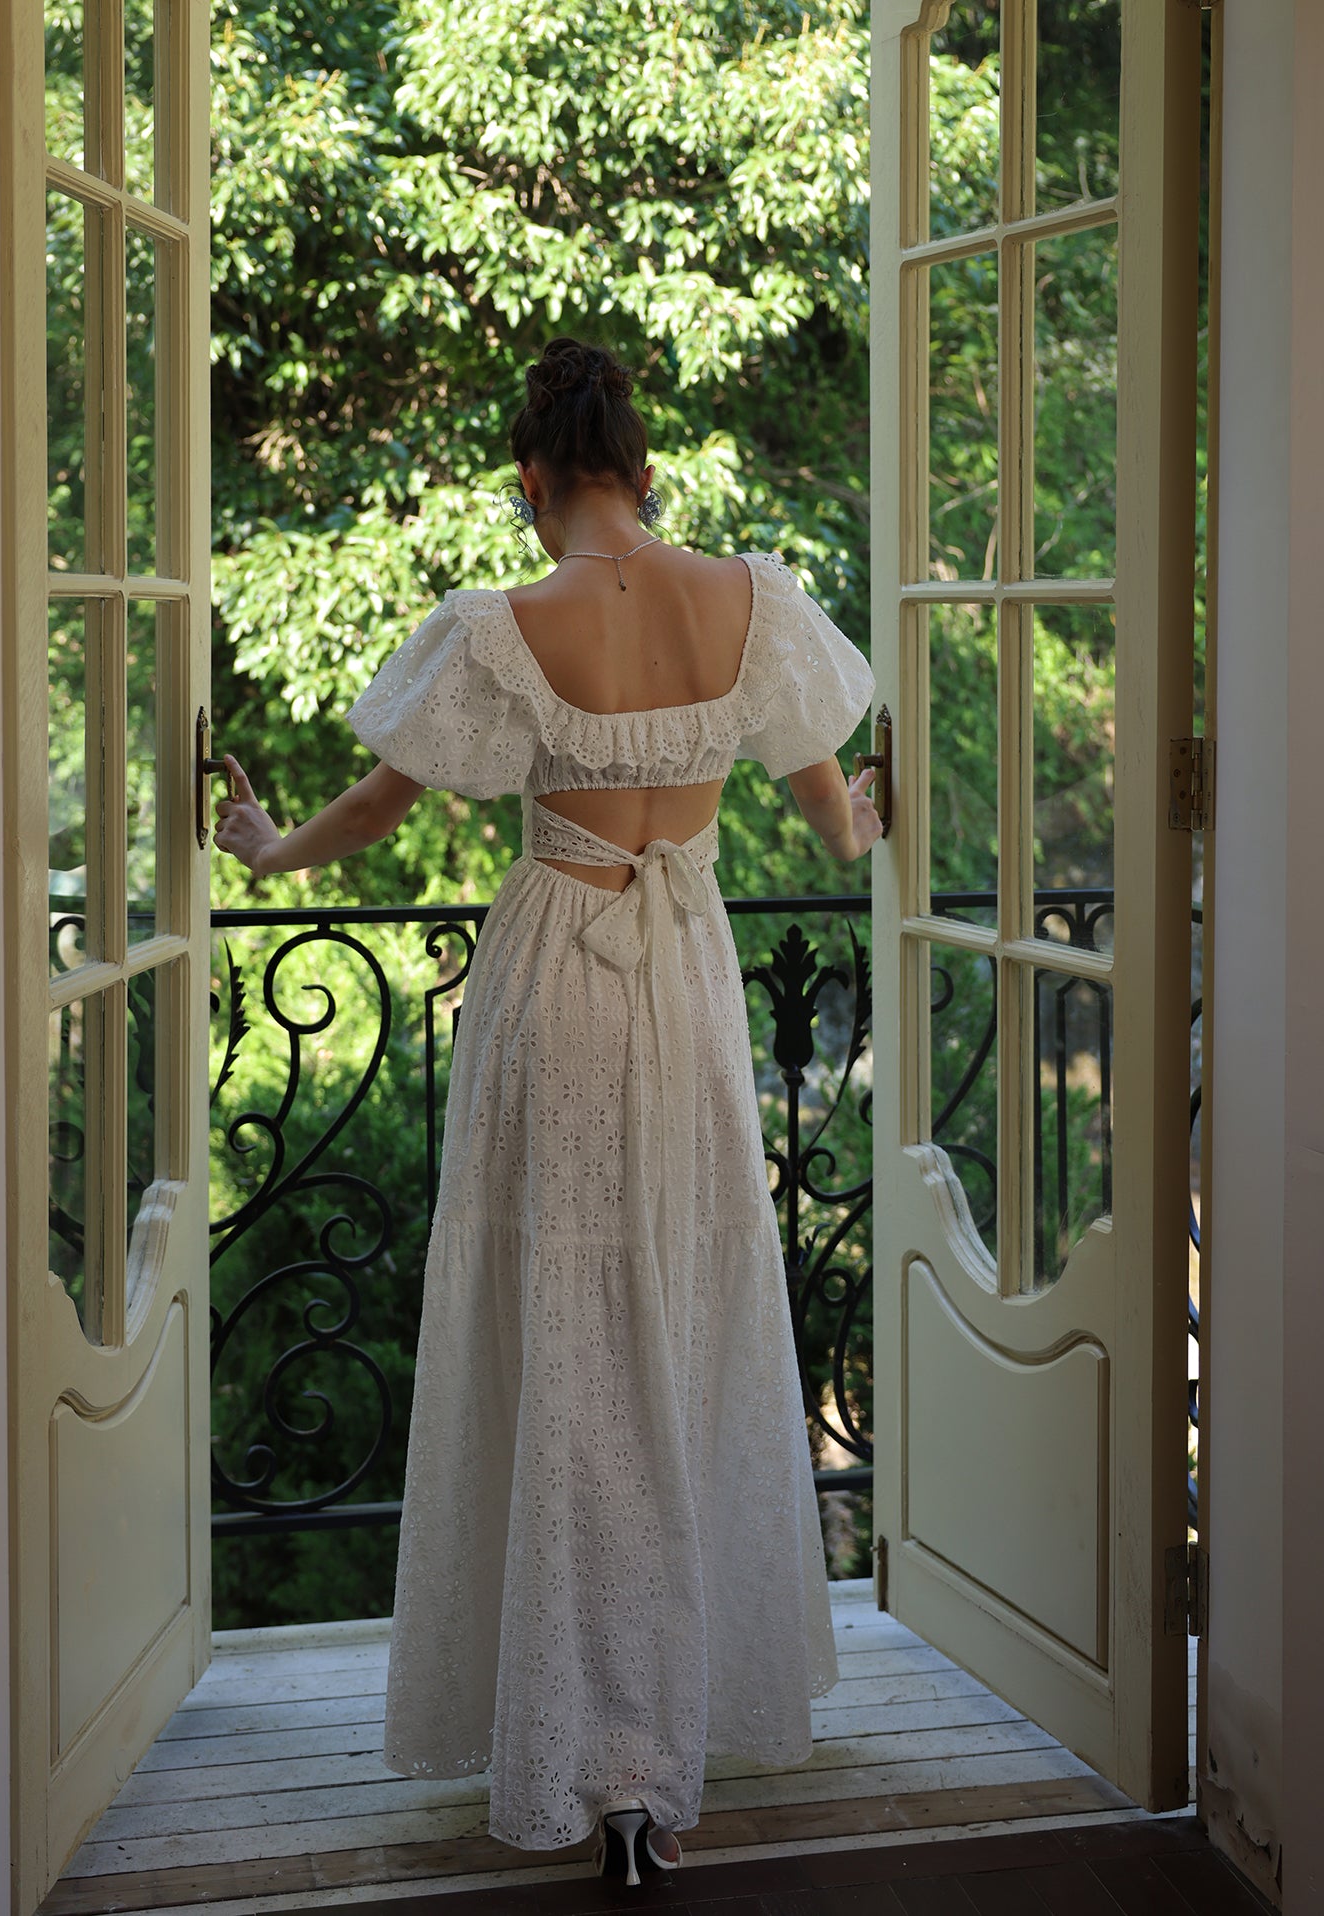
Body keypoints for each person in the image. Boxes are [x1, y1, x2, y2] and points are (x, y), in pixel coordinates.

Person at [212, 337, 881, 1885]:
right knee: (681, 1307)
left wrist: (265, 847)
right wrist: (874, 814)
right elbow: (837, 813)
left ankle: (587, 1747)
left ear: (533, 480)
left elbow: (378, 803)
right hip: (686, 982)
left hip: (557, 984)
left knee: (565, 1324)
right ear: (643, 470)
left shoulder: (500, 626)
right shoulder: (754, 601)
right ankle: (662, 1752)